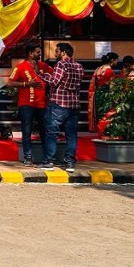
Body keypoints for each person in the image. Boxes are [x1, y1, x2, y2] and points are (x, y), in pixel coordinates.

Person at [35, 42, 84, 172]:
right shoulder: (79, 66)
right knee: (71, 135)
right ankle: (70, 163)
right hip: (74, 104)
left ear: (63, 52)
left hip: (59, 103)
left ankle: (49, 161)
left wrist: (41, 74)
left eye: (56, 51)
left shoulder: (61, 64)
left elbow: (53, 81)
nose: (55, 54)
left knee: (51, 133)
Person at [6, 44, 51, 165]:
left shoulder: (43, 66)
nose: (39, 54)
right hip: (26, 104)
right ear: (30, 54)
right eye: (37, 52)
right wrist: (27, 84)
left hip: (42, 103)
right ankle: (28, 157)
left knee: (44, 131)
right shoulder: (20, 67)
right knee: (27, 131)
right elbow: (10, 83)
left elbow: (53, 76)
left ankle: (47, 158)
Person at [88, 52, 118, 131]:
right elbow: (112, 86)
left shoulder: (98, 69)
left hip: (97, 93)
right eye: (116, 60)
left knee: (99, 112)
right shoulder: (109, 71)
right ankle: (106, 131)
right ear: (112, 60)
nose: (117, 62)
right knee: (106, 113)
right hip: (106, 94)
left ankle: (100, 130)